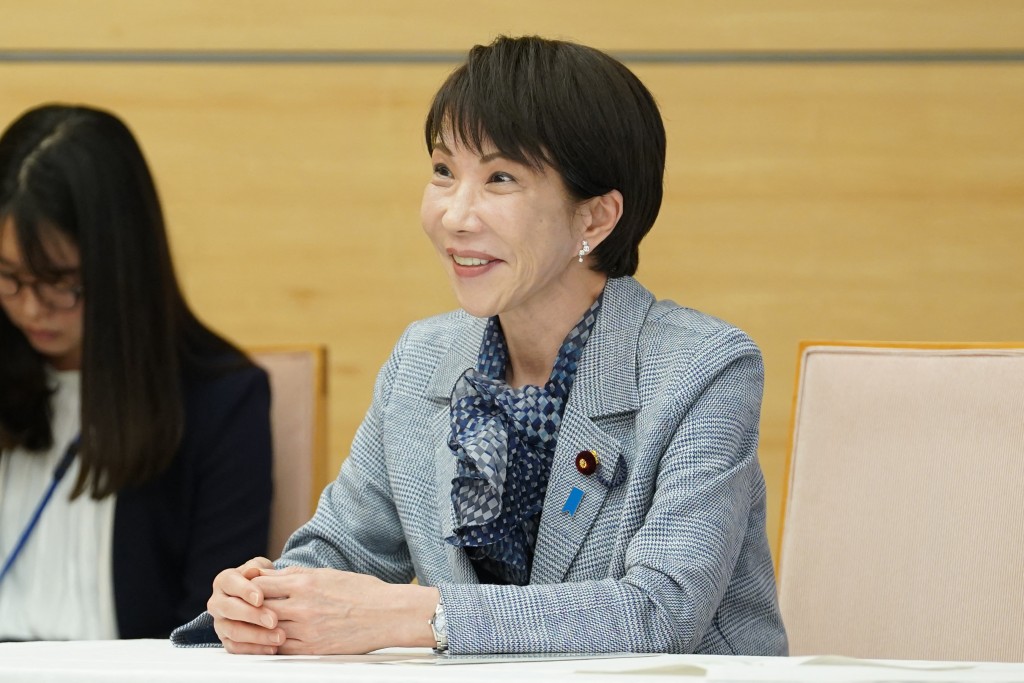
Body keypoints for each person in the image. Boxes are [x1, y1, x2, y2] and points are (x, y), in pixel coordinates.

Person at [176, 35, 787, 656]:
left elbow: (661, 611)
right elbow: (343, 550)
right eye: (444, 172)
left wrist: (423, 615)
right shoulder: (423, 358)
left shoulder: (702, 368)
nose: (455, 216)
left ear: (595, 219)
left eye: (500, 178)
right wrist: (264, 598)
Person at [0, 104, 273, 640]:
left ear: (122, 266)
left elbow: (210, 630)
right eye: (9, 277)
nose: (32, 309)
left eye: (60, 283)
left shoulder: (221, 401)